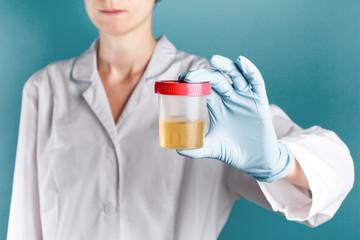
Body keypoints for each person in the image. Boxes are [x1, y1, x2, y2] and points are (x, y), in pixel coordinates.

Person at [7, 0, 354, 239]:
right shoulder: (45, 89)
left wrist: (276, 163)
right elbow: (26, 220)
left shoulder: (205, 86)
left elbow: (335, 168)